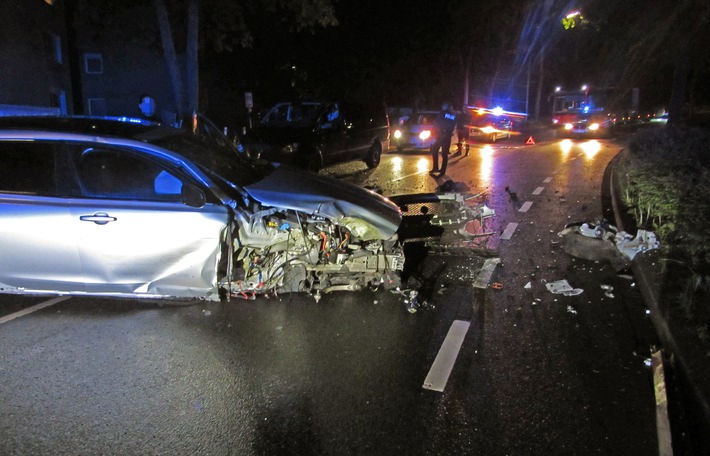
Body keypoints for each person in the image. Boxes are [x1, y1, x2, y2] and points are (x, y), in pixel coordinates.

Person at [429, 102, 457, 176]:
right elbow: (453, 124)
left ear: (446, 106)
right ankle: (442, 171)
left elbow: (437, 123)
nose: (441, 106)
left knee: (435, 150)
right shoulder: (452, 114)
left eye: (443, 105)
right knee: (444, 153)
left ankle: (436, 168)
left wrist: (434, 131)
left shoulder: (442, 113)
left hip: (441, 135)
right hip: (448, 135)